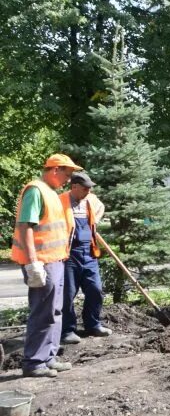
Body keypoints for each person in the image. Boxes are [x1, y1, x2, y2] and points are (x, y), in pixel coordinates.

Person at [11, 154, 80, 378]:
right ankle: (34, 362)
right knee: (42, 312)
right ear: (54, 170)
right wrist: (33, 263)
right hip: (42, 262)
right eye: (67, 175)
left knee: (55, 310)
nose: (69, 180)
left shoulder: (51, 193)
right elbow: (25, 226)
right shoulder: (36, 190)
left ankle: (49, 357)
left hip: (56, 260)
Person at [60, 172, 113, 344]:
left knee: (95, 289)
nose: (88, 191)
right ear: (74, 187)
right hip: (68, 254)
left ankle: (93, 324)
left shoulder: (90, 199)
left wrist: (95, 220)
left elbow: (101, 207)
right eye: (85, 188)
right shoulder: (61, 201)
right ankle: (67, 330)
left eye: (90, 188)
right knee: (67, 294)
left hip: (89, 253)